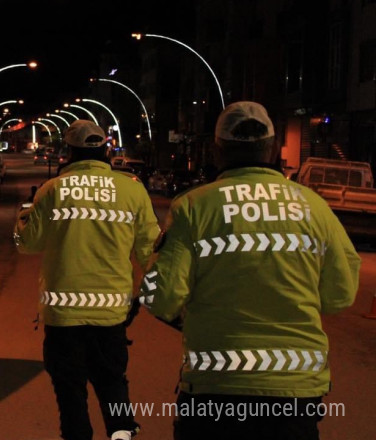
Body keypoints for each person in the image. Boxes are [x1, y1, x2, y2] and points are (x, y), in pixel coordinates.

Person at [139, 101, 360, 439]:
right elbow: (339, 297)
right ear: (272, 149)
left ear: (217, 150)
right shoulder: (315, 207)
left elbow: (161, 298)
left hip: (216, 388)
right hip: (295, 393)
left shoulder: (195, 206)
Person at [14, 119, 161, 440]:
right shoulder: (132, 190)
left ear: (69, 152)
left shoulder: (52, 191)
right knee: (114, 389)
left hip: (63, 318)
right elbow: (151, 251)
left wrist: (25, 212)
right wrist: (146, 298)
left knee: (71, 396)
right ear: (105, 150)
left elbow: (27, 244)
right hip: (111, 316)